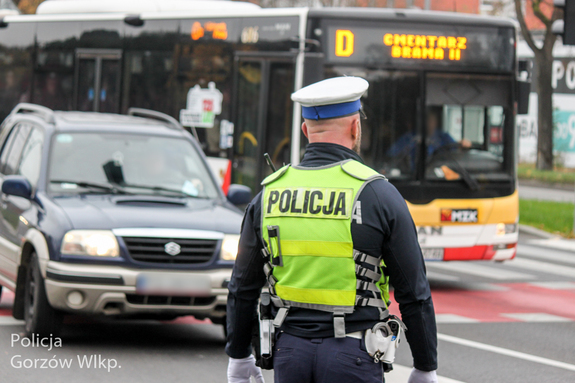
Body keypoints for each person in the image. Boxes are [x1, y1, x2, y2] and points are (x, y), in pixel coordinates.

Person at [226, 77, 438, 383]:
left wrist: (239, 357)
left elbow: (242, 286)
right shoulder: (377, 193)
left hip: (289, 355)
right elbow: (413, 292)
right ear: (355, 128)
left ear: (305, 131)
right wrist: (425, 366)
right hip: (354, 356)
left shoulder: (268, 195)